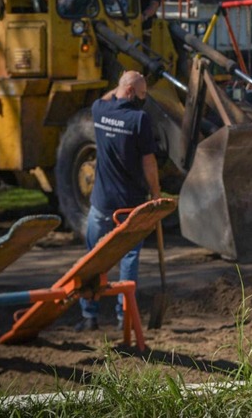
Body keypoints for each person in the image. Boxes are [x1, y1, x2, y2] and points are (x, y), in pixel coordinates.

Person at [75, 70, 162, 332]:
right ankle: (125, 319)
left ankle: (89, 315)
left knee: (93, 259)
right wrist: (156, 193)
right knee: (129, 260)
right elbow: (149, 161)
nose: (144, 100)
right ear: (133, 93)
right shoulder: (139, 120)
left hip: (101, 205)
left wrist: (120, 86)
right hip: (130, 206)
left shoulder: (100, 110)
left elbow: (108, 96)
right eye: (143, 94)